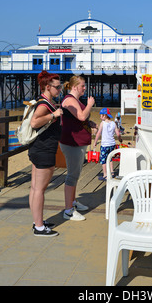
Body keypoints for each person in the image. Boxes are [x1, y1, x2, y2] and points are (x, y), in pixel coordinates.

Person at [29, 70, 63, 237]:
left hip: (38, 149)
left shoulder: (43, 101)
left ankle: (37, 221)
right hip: (44, 150)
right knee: (39, 190)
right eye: (57, 87)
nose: (60, 90)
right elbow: (35, 122)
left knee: (35, 188)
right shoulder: (44, 105)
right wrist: (53, 115)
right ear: (48, 87)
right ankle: (40, 228)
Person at [60, 76, 97, 221]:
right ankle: (68, 211)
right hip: (72, 143)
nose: (84, 88)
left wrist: (91, 123)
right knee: (72, 175)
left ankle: (73, 202)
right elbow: (81, 116)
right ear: (74, 87)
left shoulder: (74, 100)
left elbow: (78, 119)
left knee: (75, 174)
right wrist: (90, 104)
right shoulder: (69, 100)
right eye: (82, 86)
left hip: (77, 142)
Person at [93, 108, 121, 180]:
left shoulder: (102, 123)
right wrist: (120, 140)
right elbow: (118, 134)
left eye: (101, 115)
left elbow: (98, 133)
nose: (100, 117)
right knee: (110, 158)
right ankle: (112, 172)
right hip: (112, 144)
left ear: (104, 116)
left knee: (103, 160)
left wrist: (95, 142)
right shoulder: (113, 123)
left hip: (105, 145)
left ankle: (105, 175)